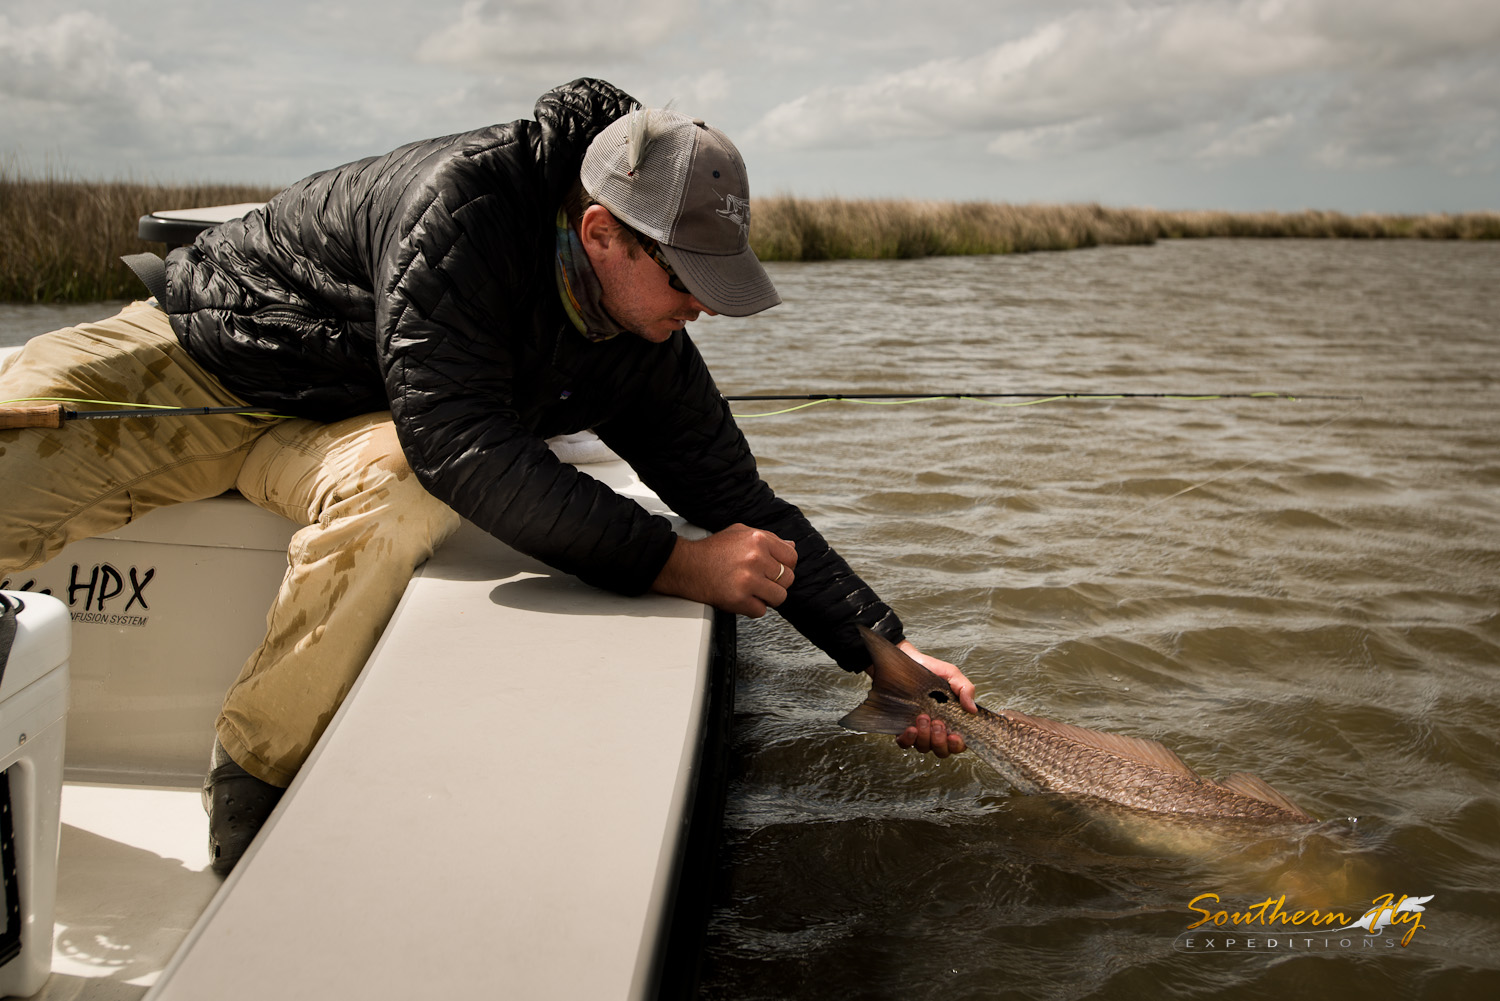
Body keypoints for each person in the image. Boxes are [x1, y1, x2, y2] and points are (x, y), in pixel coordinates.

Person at [0, 78, 974, 876]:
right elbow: (465, 437)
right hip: (200, 362)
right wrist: (676, 566)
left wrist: (881, 646)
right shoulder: (463, 205)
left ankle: (252, 771)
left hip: (345, 421)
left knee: (405, 490)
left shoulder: (643, 334)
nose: (704, 310)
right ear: (601, 235)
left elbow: (738, 498)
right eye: (687, 281)